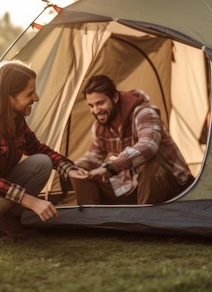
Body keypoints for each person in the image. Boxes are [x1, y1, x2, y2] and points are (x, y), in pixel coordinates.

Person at [0, 60, 89, 245]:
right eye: (29, 94)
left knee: (43, 162)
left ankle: (10, 222)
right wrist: (32, 202)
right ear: (8, 97)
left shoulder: (16, 120)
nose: (36, 98)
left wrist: (68, 169)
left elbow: (39, 149)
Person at [71, 75, 195, 205]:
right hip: (132, 185)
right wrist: (71, 169)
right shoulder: (99, 127)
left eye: (100, 103)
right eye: (91, 106)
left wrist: (111, 167)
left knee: (151, 163)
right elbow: (92, 158)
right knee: (81, 169)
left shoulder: (144, 112)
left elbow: (148, 146)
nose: (96, 110)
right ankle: (92, 222)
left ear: (115, 97)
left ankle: (144, 221)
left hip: (172, 186)